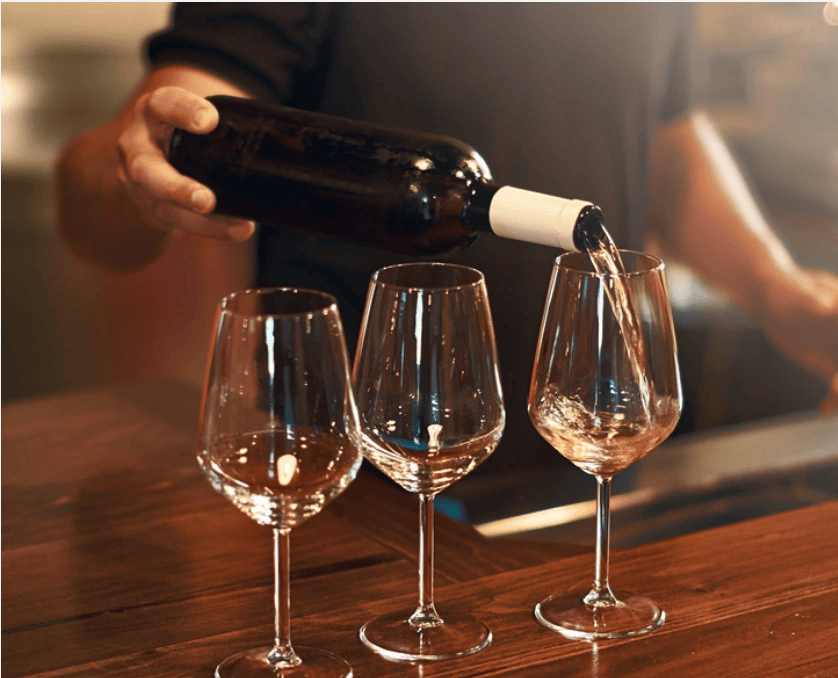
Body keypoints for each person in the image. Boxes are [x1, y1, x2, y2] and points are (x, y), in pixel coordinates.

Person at [55, 3, 838, 520]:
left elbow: (665, 130)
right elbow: (170, 131)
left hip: (579, 453)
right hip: (359, 479)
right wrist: (137, 172)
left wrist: (775, 287)